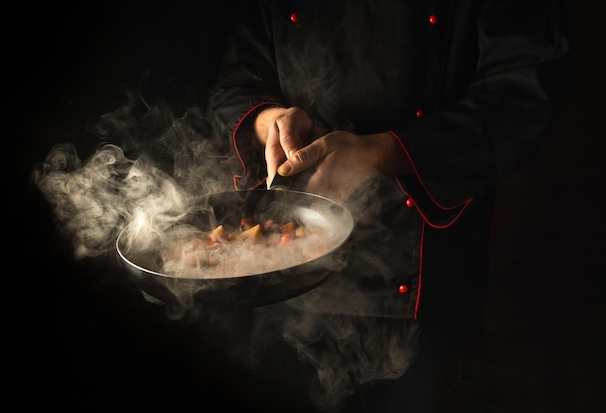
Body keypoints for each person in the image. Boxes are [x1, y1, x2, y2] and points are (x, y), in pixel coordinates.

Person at [206, 0, 569, 412]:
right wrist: (271, 122)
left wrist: (378, 152)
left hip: (425, 277)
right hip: (287, 279)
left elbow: (523, 94)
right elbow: (235, 85)